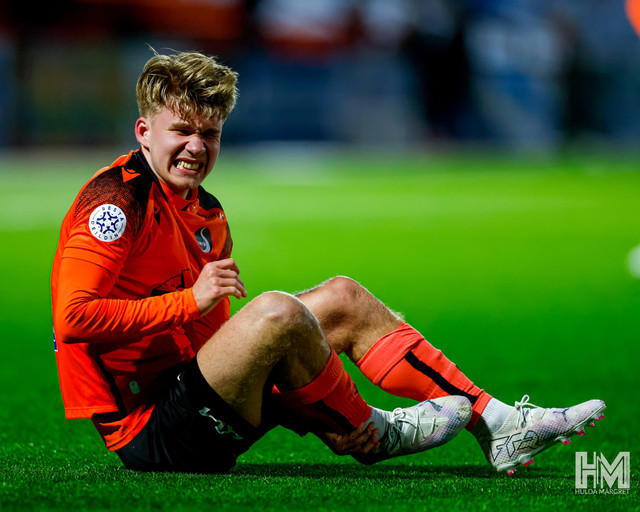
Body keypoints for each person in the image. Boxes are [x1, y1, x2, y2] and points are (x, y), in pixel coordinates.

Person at [51, 49, 606, 476]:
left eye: (210, 133)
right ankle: (372, 429)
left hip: (197, 396)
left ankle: (497, 422)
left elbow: (215, 351)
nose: (197, 147)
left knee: (342, 296)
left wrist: (308, 409)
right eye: (182, 131)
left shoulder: (206, 212)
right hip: (151, 433)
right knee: (276, 313)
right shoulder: (115, 204)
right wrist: (190, 300)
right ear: (144, 132)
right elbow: (73, 319)